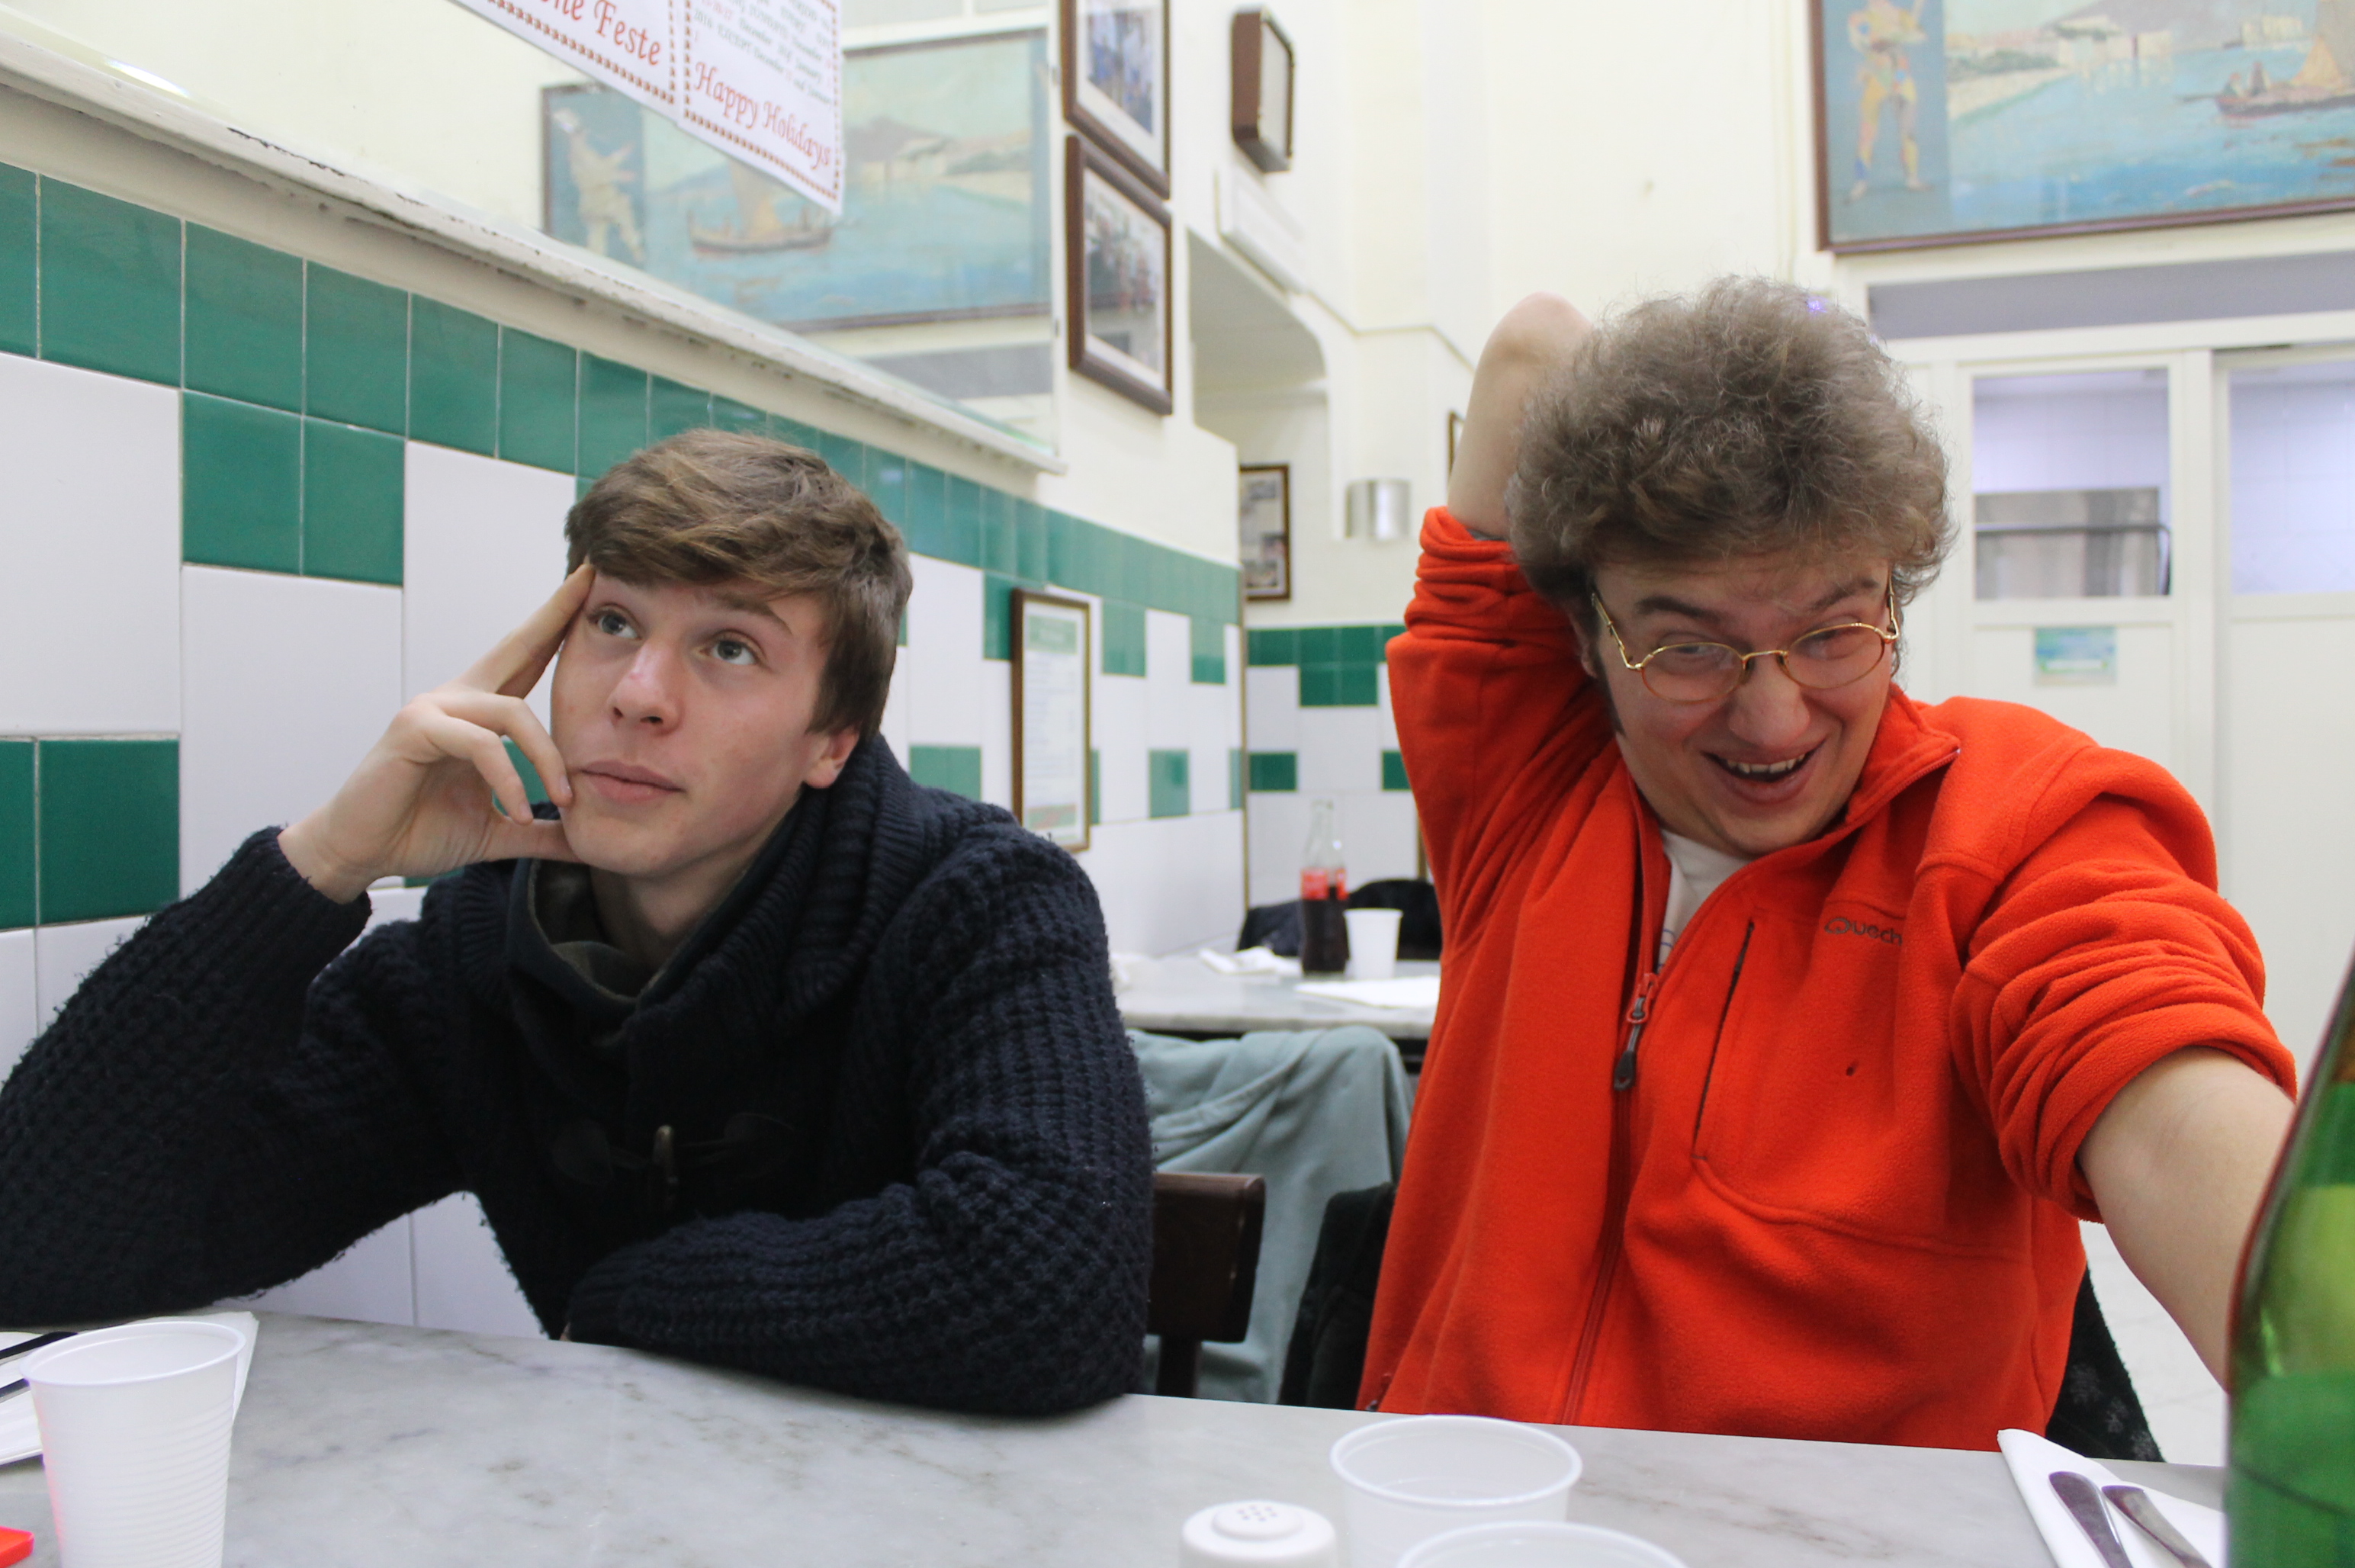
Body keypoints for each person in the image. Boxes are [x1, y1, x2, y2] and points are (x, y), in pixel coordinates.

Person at [0, 430, 1152, 1416]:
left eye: (731, 647)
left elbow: (1049, 1298)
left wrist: (624, 1296)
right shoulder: (470, 961)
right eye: (611, 623)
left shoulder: (981, 901)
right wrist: (321, 869)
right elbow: (39, 1247)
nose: (638, 693)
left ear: (831, 741)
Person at [1361, 281, 2298, 1448]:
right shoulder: (1525, 784)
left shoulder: (2014, 820)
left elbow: (2161, 1086)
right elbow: (1531, 344)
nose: (1773, 718)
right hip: (1470, 1508)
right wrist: (1691, 423)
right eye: (1688, 646)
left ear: (1894, 601)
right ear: (1587, 637)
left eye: (1832, 632)